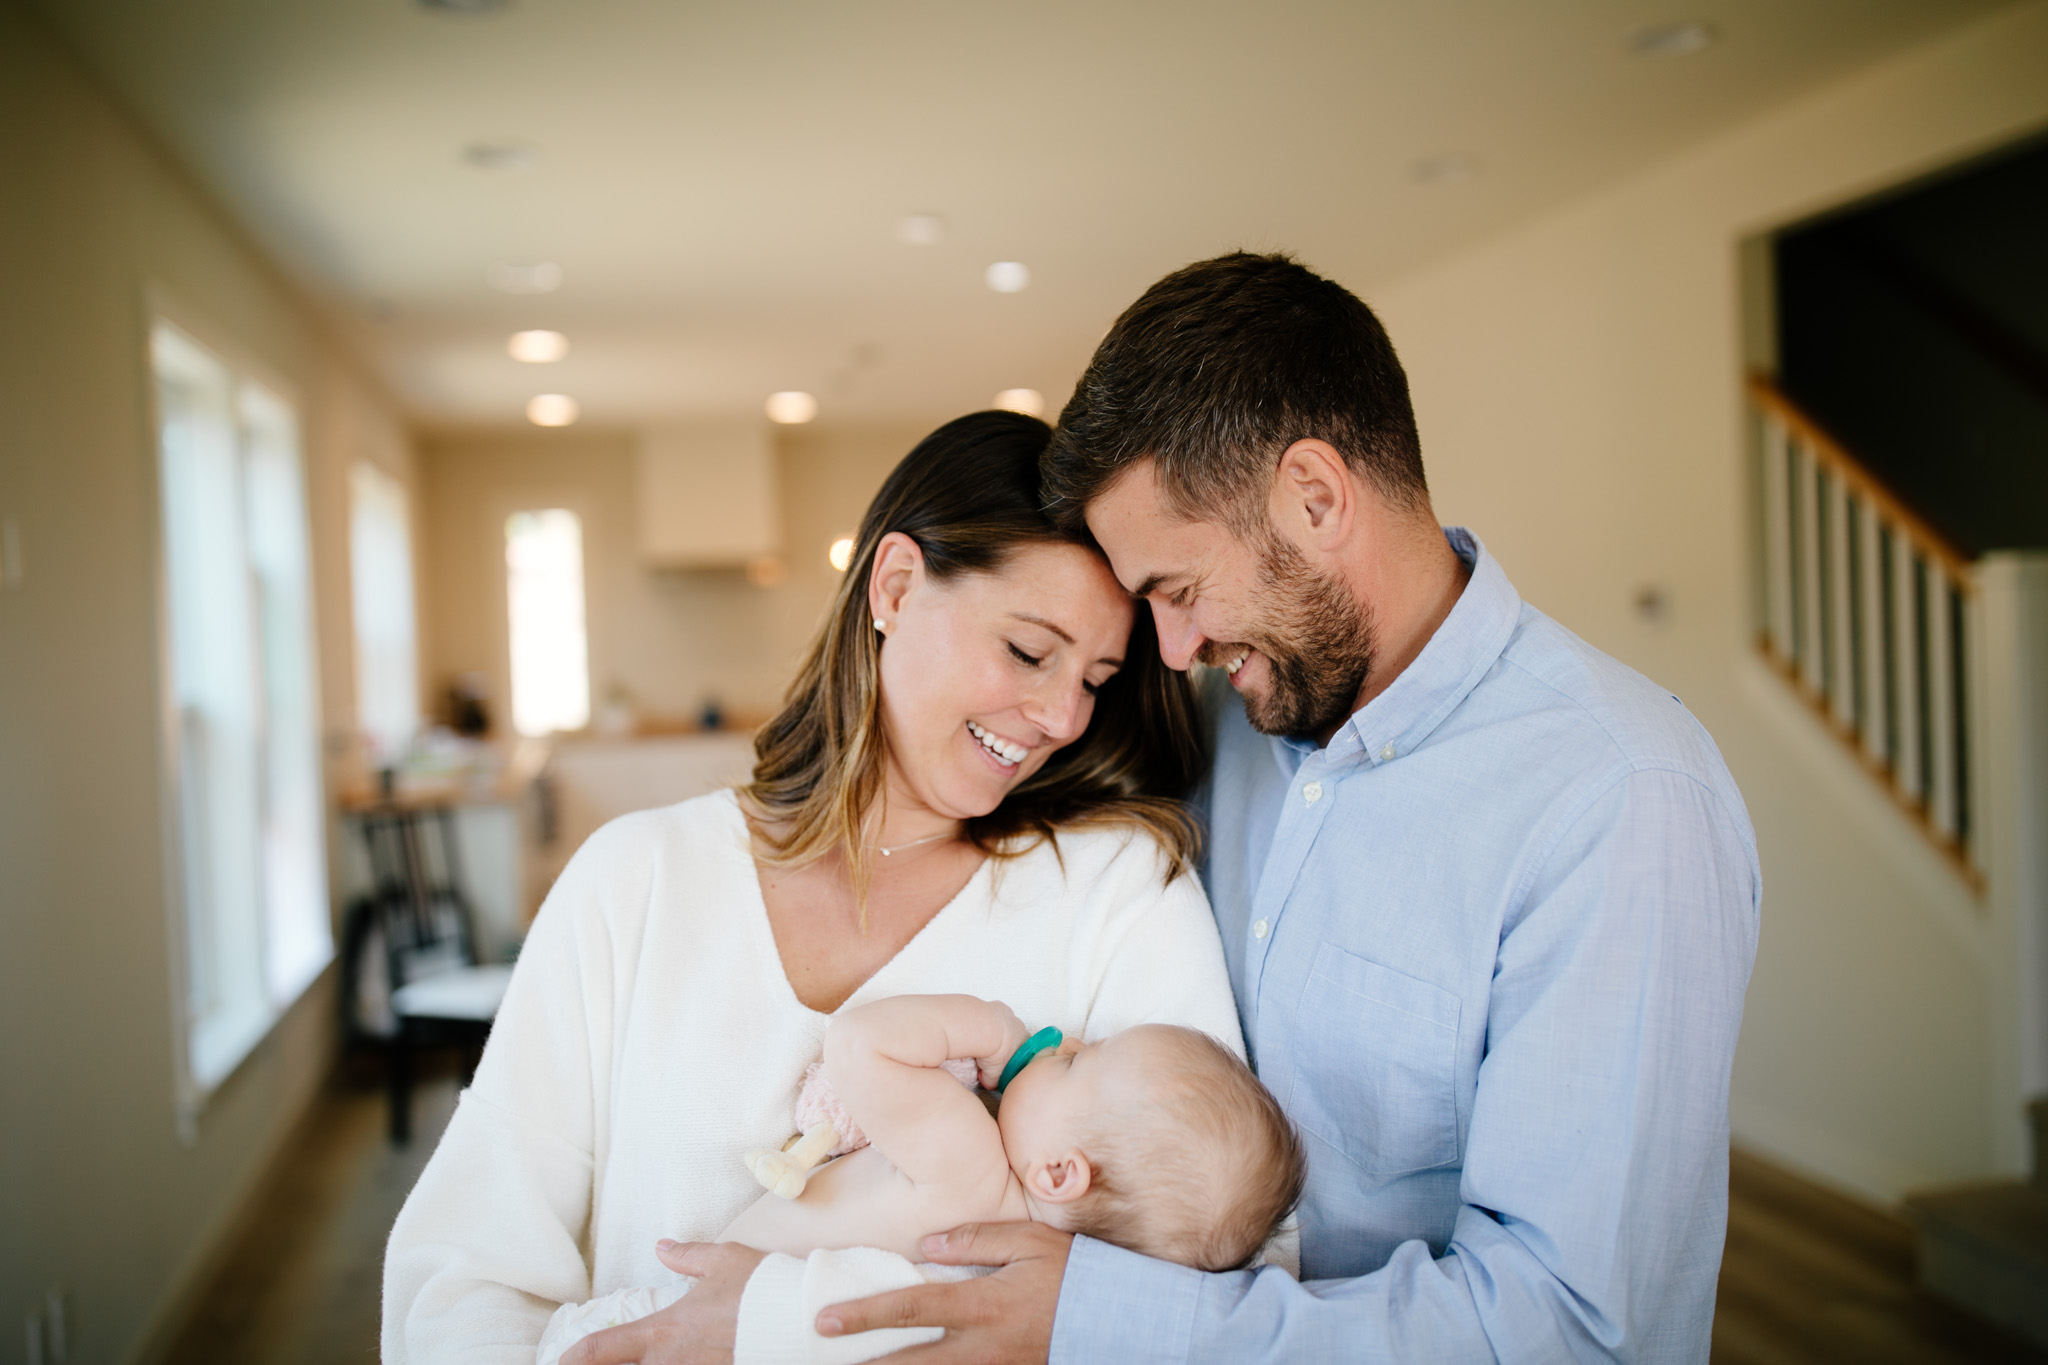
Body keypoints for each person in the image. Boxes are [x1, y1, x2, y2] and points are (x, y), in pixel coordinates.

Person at [743, 252, 1762, 1362]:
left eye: (1177, 591)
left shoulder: (1616, 802)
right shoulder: (1222, 728)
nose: (1170, 650)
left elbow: (1574, 1331)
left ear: (1315, 498)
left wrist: (1094, 1316)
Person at [379, 411, 1249, 1363]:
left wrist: (777, 1323)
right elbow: (458, 1279)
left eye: (1096, 678)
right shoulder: (635, 881)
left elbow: (1216, 1274)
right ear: (898, 585)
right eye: (1030, 652)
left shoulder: (1116, 887)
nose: (1058, 716)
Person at [536, 995, 1305, 1363]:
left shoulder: (972, 1163)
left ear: (1061, 1171)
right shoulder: (1025, 1252)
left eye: (1077, 1060)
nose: (1066, 1041)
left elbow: (862, 1043)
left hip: (667, 1318)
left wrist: (1001, 1034)